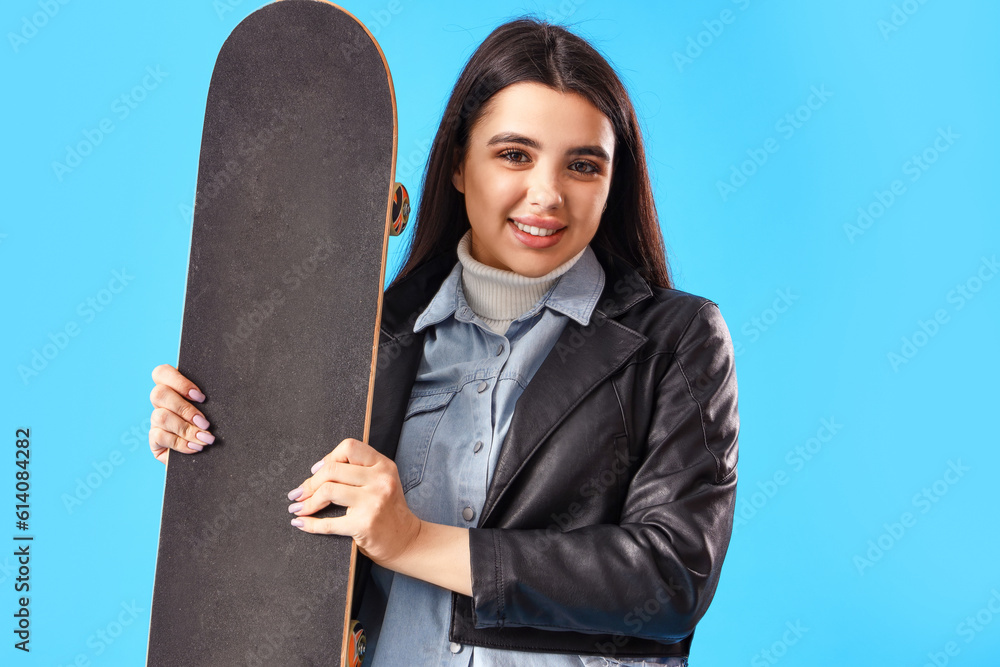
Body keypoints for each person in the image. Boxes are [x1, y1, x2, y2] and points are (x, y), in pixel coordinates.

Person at [148, 16, 739, 667]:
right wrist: (214, 442)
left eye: (583, 165)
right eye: (514, 154)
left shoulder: (674, 341)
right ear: (459, 163)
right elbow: (294, 550)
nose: (547, 194)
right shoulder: (368, 337)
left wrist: (413, 541)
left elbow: (668, 579)